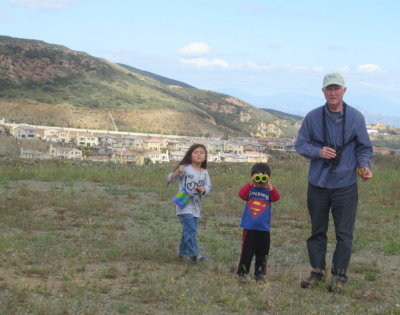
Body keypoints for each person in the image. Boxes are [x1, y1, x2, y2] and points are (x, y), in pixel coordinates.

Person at [295, 73, 373, 291]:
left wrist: (365, 166)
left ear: (344, 91)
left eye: (336, 88)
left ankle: (339, 276)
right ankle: (317, 272)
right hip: (318, 184)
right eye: (329, 89)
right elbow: (300, 144)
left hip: (346, 184)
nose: (332, 92)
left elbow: (364, 147)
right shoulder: (312, 117)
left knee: (344, 234)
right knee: (317, 231)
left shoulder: (356, 117)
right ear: (323, 92)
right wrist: (318, 151)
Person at [167, 144, 212, 263]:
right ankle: (195, 255)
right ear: (190, 155)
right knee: (191, 230)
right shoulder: (185, 168)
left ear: (205, 156)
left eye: (202, 152)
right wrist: (178, 171)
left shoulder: (205, 172)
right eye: (196, 152)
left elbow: (208, 187)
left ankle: (182, 253)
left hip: (196, 205)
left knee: (188, 230)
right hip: (183, 202)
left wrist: (204, 190)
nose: (199, 154)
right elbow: (170, 178)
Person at [237, 162, 280, 282]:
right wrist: (251, 183)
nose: (260, 181)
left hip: (264, 228)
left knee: (263, 253)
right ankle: (243, 273)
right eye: (258, 177)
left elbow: (276, 198)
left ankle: (260, 273)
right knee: (247, 252)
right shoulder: (250, 190)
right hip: (249, 228)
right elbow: (241, 195)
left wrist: (269, 185)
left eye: (263, 178)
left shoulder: (268, 192)